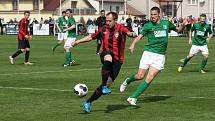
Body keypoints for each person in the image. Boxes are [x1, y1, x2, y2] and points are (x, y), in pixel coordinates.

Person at [119, 7, 187, 105]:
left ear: (159, 14)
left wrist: (183, 25)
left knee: (150, 77)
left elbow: (179, 30)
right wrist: (133, 44)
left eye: (155, 14)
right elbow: (140, 36)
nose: (153, 16)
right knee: (140, 76)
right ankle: (128, 80)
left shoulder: (166, 23)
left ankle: (133, 97)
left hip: (160, 56)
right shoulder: (148, 25)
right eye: (151, 14)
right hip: (148, 53)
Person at [72, 11, 137, 113]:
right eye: (106, 20)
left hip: (118, 60)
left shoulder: (121, 28)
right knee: (108, 57)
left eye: (109, 21)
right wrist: (77, 41)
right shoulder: (103, 29)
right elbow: (91, 37)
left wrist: (131, 34)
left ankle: (88, 102)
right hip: (106, 54)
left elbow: (129, 32)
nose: (107, 23)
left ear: (115, 20)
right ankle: (103, 86)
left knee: (108, 84)